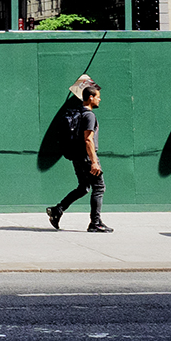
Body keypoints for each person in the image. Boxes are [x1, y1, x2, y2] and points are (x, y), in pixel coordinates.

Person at [46, 82, 113, 233]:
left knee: (83, 187)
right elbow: (88, 139)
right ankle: (95, 223)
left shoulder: (77, 113)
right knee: (99, 187)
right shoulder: (89, 115)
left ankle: (58, 210)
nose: (99, 100)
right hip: (87, 158)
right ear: (90, 97)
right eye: (98, 97)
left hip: (77, 157)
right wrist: (94, 162)